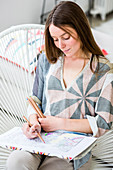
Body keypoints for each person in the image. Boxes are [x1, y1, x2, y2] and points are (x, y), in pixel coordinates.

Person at [6, 1, 113, 170]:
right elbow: (35, 99)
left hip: (73, 149)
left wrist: (58, 123)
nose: (60, 45)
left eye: (66, 37)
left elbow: (103, 123)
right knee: (16, 162)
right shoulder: (47, 60)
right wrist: (32, 121)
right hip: (40, 139)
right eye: (55, 39)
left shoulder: (104, 71)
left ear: (81, 30)